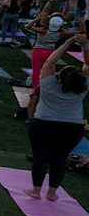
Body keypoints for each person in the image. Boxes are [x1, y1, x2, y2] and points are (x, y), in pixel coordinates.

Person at [26, 33, 89, 200]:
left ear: (59, 77)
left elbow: (49, 62)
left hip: (44, 124)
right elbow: (88, 65)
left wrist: (68, 42)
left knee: (40, 157)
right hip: (72, 127)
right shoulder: (82, 88)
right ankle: (52, 193)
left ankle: (36, 191)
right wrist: (86, 45)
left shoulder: (48, 84)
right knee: (60, 159)